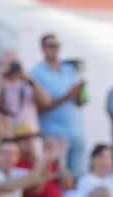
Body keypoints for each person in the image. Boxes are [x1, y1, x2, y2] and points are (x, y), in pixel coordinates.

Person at [30, 33, 84, 174]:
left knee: (79, 175)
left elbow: (79, 102)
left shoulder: (69, 70)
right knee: (59, 176)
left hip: (75, 130)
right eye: (51, 46)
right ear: (43, 48)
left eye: (57, 46)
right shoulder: (36, 73)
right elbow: (41, 106)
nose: (55, 49)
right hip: (54, 133)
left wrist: (80, 92)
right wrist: (67, 96)